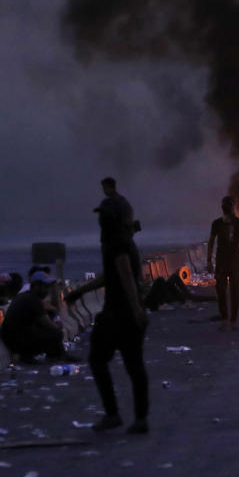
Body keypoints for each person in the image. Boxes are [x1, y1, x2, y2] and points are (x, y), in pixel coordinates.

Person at [68, 179, 149, 434]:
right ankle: (139, 419)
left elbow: (124, 275)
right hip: (124, 313)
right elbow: (110, 275)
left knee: (99, 359)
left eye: (105, 216)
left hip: (118, 315)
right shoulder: (123, 240)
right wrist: (81, 291)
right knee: (133, 366)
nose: (101, 221)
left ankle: (115, 414)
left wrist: (136, 310)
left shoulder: (118, 243)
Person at [0, 271, 68, 363]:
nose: (47, 291)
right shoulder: (33, 300)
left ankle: (58, 355)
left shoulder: (24, 296)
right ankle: (54, 356)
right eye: (45, 287)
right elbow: (48, 324)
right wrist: (58, 326)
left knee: (49, 327)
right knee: (57, 334)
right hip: (18, 342)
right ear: (36, 286)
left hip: (12, 339)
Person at [206, 196, 239, 329]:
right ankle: (225, 317)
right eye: (227, 205)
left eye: (230, 205)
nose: (229, 208)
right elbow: (211, 242)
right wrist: (209, 260)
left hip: (234, 262)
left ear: (233, 207)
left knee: (234, 291)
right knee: (220, 290)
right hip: (221, 262)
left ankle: (233, 320)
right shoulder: (217, 223)